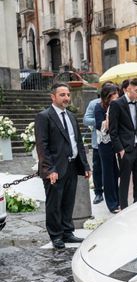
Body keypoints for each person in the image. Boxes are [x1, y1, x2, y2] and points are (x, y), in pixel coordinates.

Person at [34, 83, 91, 249]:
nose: (66, 98)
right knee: (54, 204)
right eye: (62, 95)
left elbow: (78, 142)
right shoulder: (44, 116)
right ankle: (56, 235)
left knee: (68, 202)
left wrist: (85, 165)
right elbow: (42, 146)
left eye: (68, 94)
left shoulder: (71, 116)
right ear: (53, 97)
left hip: (72, 166)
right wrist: (49, 169)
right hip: (55, 169)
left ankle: (67, 232)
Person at [108, 78, 137, 209]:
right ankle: (124, 209)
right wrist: (120, 150)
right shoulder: (116, 104)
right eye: (136, 91)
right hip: (126, 149)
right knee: (124, 181)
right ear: (128, 89)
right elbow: (113, 131)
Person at [94, 84, 120, 213]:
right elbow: (100, 127)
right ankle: (112, 203)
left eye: (116, 93)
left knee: (118, 172)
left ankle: (119, 199)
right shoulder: (99, 108)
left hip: (117, 142)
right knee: (109, 173)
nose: (115, 96)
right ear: (106, 96)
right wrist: (109, 116)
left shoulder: (118, 105)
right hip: (105, 143)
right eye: (112, 94)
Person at [82, 89, 103, 204]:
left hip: (115, 143)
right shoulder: (94, 103)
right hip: (98, 143)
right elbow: (86, 120)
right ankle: (98, 192)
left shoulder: (116, 103)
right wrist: (100, 121)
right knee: (98, 168)